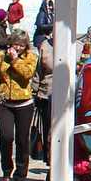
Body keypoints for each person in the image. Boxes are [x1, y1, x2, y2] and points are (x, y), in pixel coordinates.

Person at [0, 29, 38, 181]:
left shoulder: (31, 57)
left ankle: (20, 175)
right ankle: (6, 171)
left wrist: (15, 60)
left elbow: (27, 74)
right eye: (16, 44)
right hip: (3, 102)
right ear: (10, 43)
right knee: (6, 137)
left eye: (22, 45)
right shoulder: (1, 55)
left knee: (23, 140)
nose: (18, 47)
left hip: (24, 103)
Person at [33, 23, 54, 165]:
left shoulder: (78, 46)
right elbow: (38, 71)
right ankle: (51, 165)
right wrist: (35, 91)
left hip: (69, 97)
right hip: (47, 94)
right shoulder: (45, 46)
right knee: (48, 132)